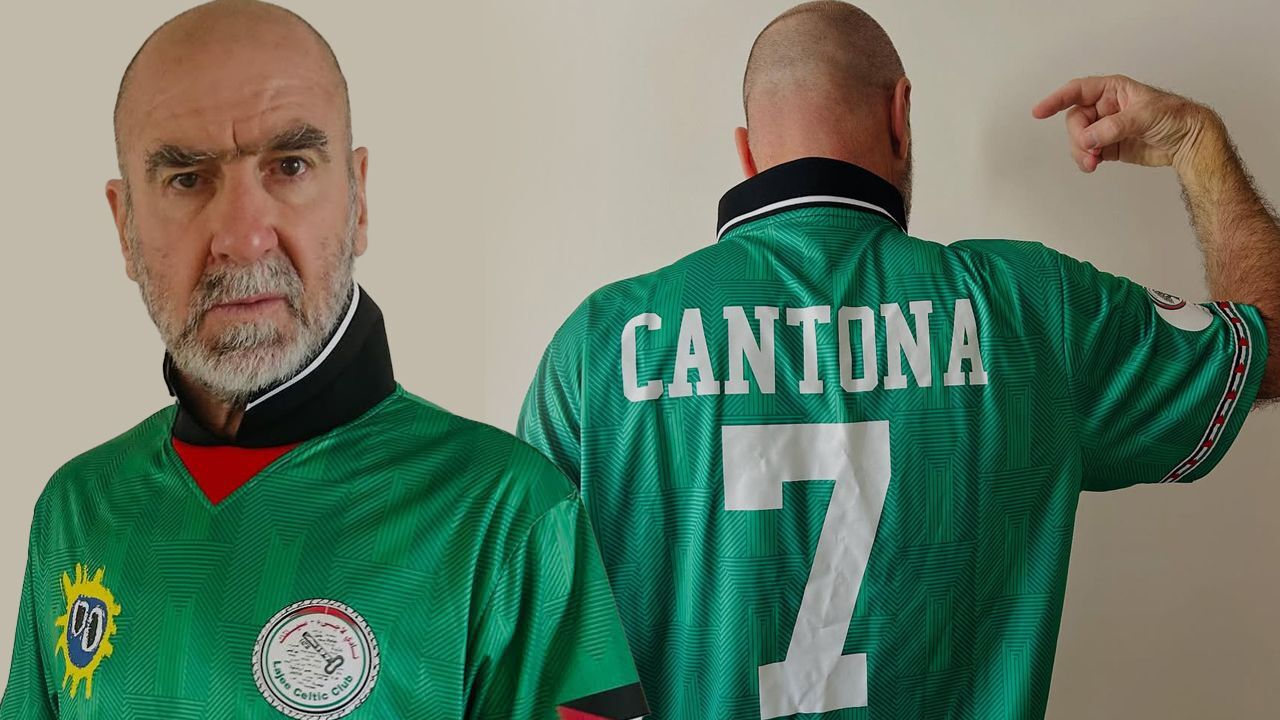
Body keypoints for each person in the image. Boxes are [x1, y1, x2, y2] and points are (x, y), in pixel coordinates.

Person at [517, 1, 1278, 718]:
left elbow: (527, 655)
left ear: (746, 153)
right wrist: (1195, 142)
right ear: (901, 115)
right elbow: (1271, 347)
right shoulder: (1035, 310)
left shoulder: (597, 349)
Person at [0, 2, 648, 718]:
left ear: (359, 200)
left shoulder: (508, 515)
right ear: (124, 226)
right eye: (186, 178)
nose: (243, 238)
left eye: (290, 166)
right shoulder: (77, 508)